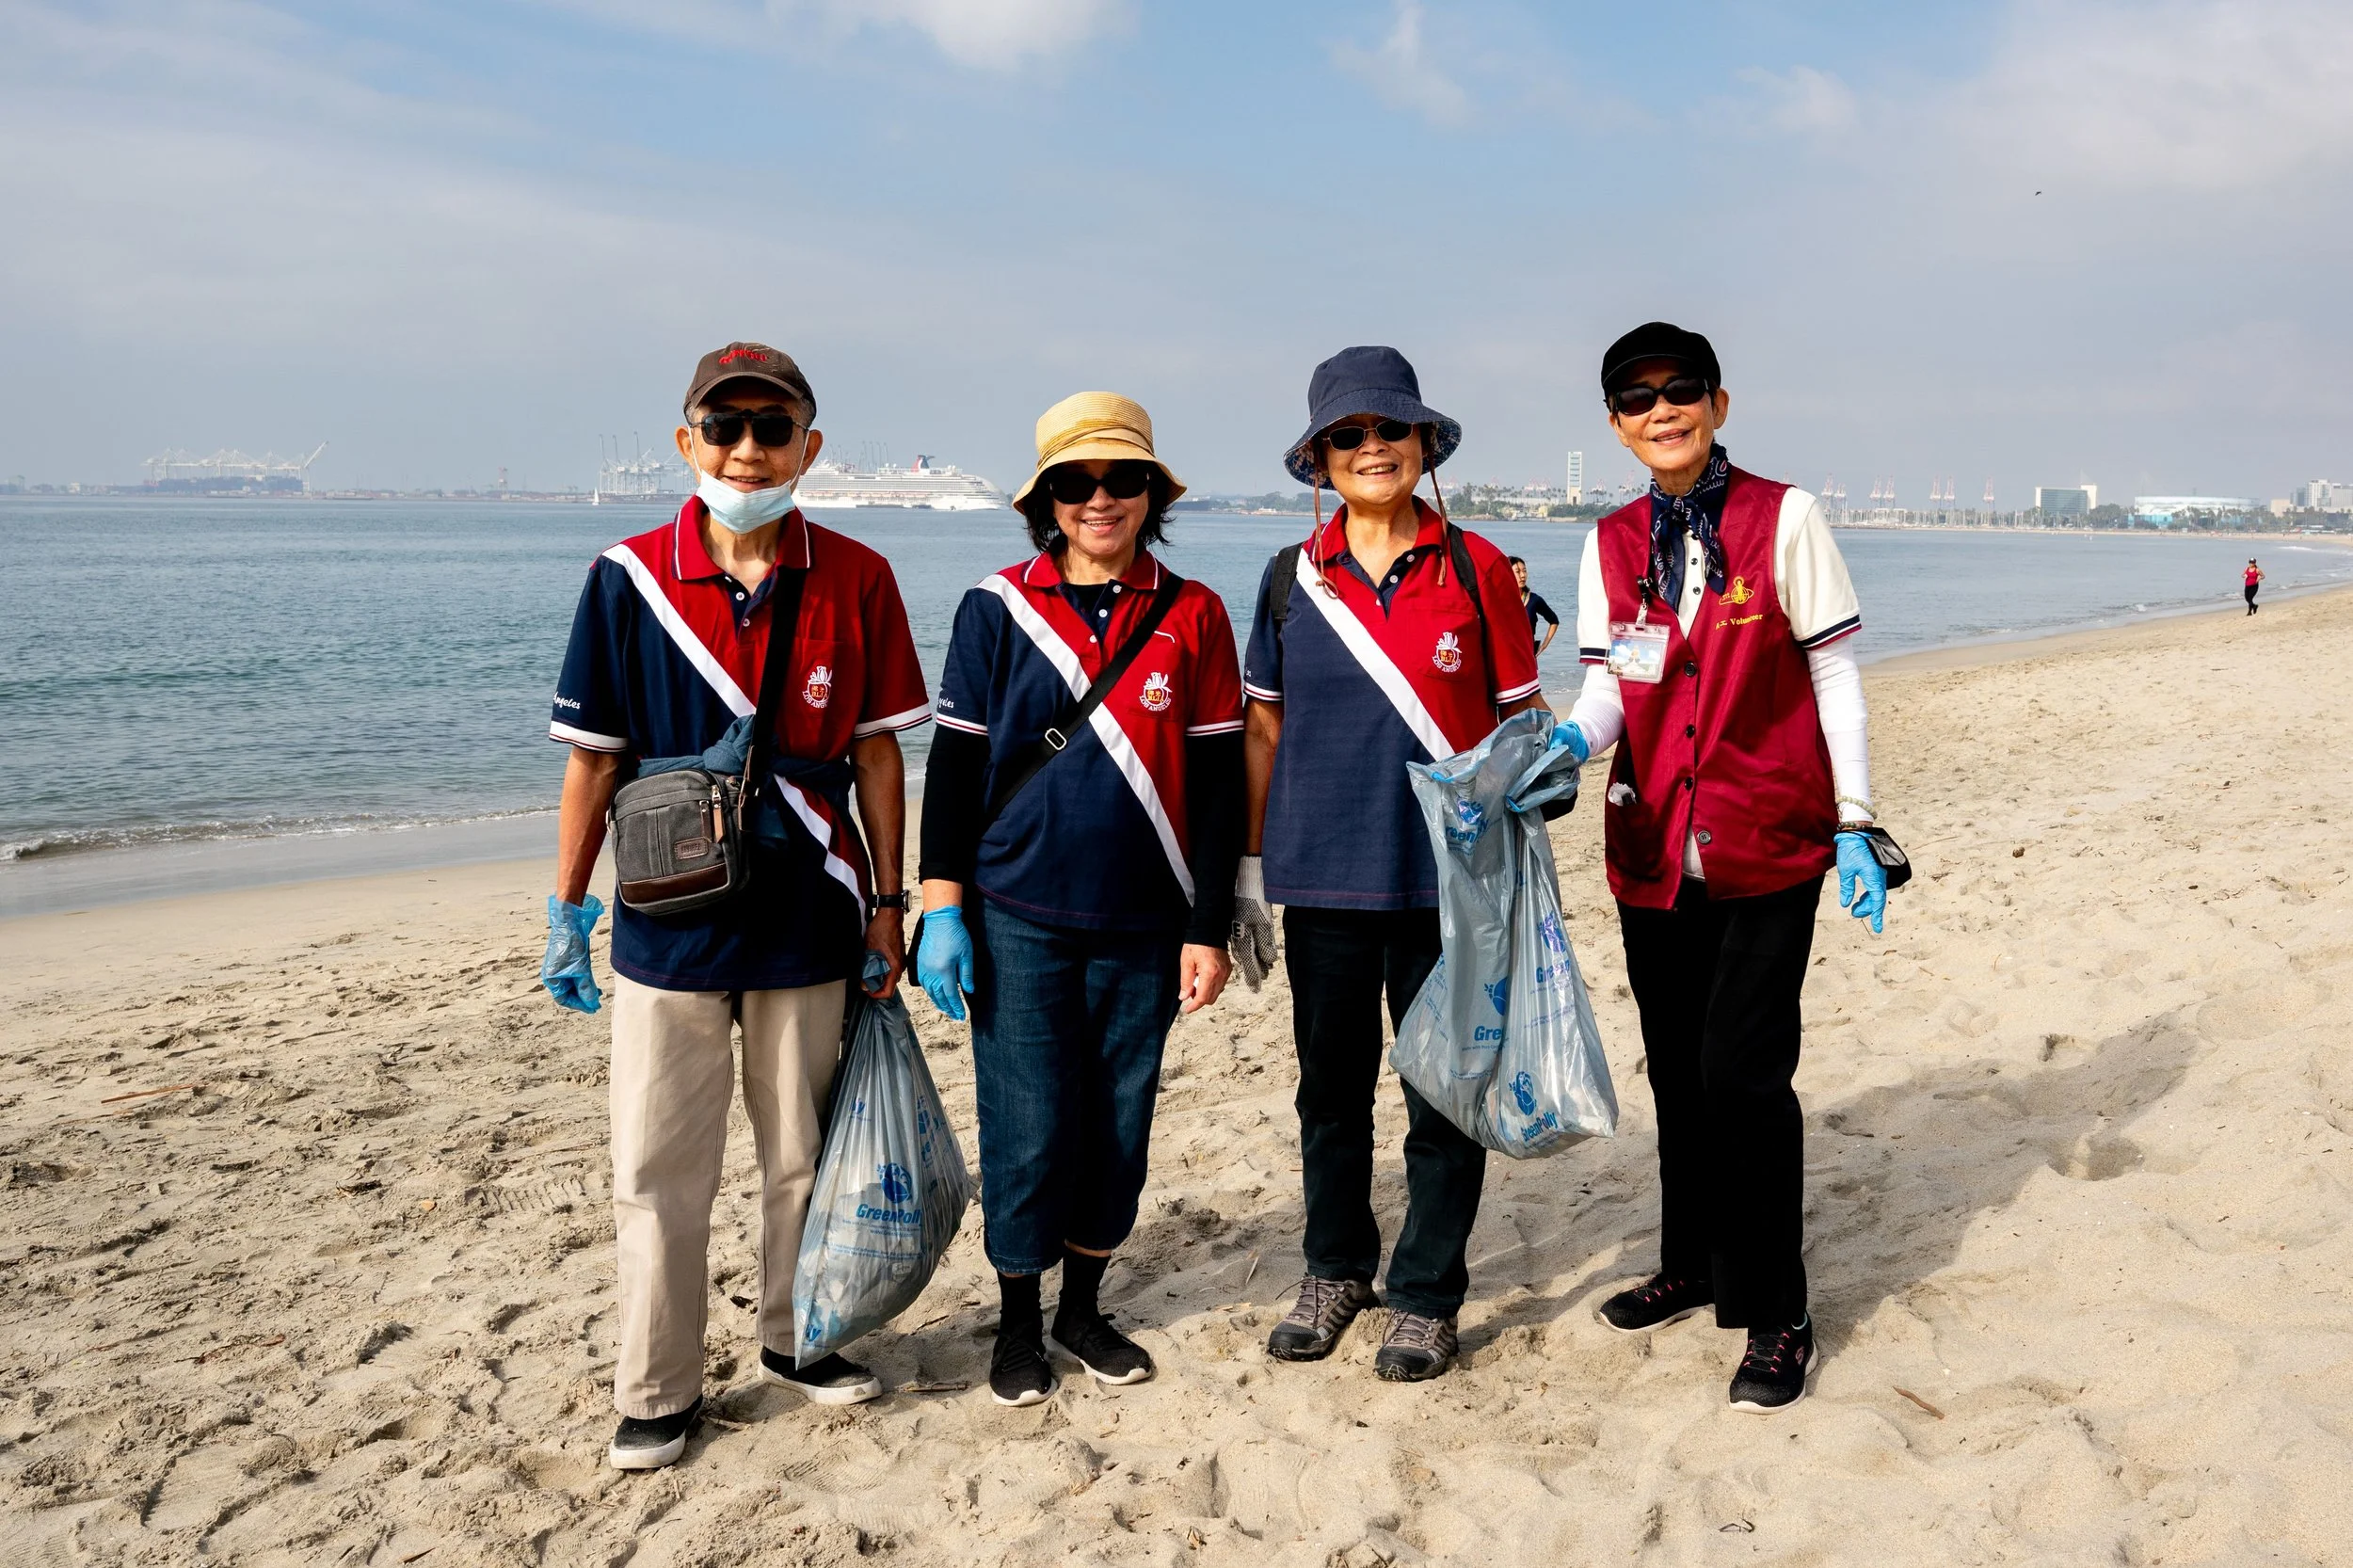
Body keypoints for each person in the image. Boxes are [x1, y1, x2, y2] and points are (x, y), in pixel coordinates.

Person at [539, 342, 933, 1470]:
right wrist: (567, 909)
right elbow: (594, 760)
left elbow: (877, 755)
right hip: (665, 918)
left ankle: (799, 1339)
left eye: (773, 428)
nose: (747, 450)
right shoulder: (626, 578)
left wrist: (889, 904)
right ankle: (657, 1388)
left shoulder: (857, 576)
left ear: (810, 446)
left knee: (800, 1153)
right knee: (657, 1167)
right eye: (725, 427)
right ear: (687, 442)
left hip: (810, 909)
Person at [1554, 322, 1886, 1413]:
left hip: (1770, 843)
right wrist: (1564, 744)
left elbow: (1833, 673)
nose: (1661, 409)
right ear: (1615, 425)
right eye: (1636, 397)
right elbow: (1611, 688)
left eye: (1680, 389)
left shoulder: (1784, 517)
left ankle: (1777, 1309)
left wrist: (1854, 820)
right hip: (1652, 849)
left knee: (1742, 1073)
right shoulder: (1610, 542)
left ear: (1717, 403)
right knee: (1675, 1069)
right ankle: (1691, 1261)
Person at [913, 392, 1246, 1408]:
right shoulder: (995, 607)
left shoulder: (1194, 613)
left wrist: (1209, 927)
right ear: (1044, 500)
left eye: (1122, 479)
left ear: (1151, 494)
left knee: (1117, 1124)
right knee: (1026, 1125)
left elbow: (1220, 783)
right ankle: (1018, 1321)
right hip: (1015, 915)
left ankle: (1083, 1310)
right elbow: (954, 767)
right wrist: (940, 909)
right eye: (1075, 482)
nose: (1099, 500)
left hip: (1148, 921)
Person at [1235, 346, 1546, 1383]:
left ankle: (1424, 1294)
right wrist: (1247, 871)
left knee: (1445, 1096)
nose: (1372, 447)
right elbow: (1263, 731)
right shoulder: (1288, 579)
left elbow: (1521, 724)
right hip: (1321, 878)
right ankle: (1334, 1270)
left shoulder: (1479, 568)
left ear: (1422, 442)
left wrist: (1529, 807)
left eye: (1389, 428)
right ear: (1319, 457)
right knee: (1330, 1095)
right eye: (1348, 434)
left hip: (1448, 884)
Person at [1513, 555, 1560, 655]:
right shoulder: (1500, 600)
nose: (1523, 575)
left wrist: (1544, 645)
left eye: (1524, 571)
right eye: (1517, 572)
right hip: (1507, 654)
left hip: (1528, 654)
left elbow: (1554, 621)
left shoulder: (1534, 600)